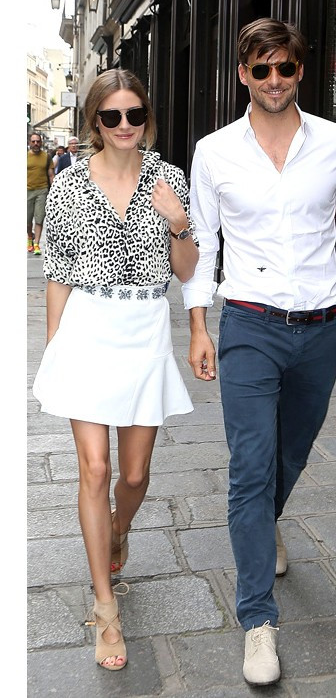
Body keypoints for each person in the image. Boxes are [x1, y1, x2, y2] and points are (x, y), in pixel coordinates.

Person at [182, 18, 336, 686]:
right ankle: (257, 621)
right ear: (243, 74)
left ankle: (264, 527)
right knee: (250, 466)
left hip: (323, 328)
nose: (273, 80)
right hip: (249, 324)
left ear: (299, 70)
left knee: (290, 454)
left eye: (284, 68)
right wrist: (198, 324)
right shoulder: (213, 152)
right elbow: (204, 241)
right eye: (260, 69)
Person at [32, 68, 199, 671]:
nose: (124, 125)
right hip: (87, 331)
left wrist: (178, 222)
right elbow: (58, 273)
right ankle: (105, 609)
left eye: (134, 114)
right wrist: (54, 346)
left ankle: (118, 528)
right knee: (95, 469)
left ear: (146, 118)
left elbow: (187, 269)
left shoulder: (168, 179)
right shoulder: (69, 185)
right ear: (94, 122)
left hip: (144, 329)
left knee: (133, 474)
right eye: (111, 116)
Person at [27, 132, 55, 254]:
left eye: (38, 141)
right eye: (33, 141)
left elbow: (51, 175)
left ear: (41, 142)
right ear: (30, 142)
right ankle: (30, 237)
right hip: (27, 191)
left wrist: (54, 190)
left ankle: (37, 244)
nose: (36, 144)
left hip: (42, 191)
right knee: (27, 220)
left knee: (39, 218)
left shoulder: (47, 157)